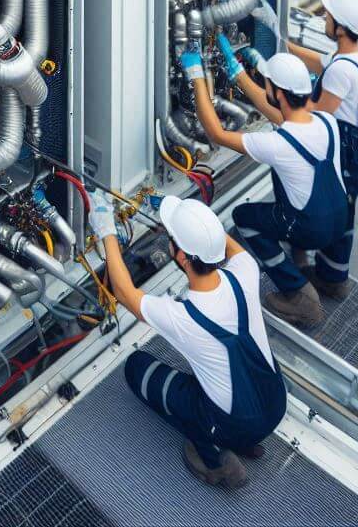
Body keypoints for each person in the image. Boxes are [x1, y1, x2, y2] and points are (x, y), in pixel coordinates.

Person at [91, 195, 287, 490]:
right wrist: (192, 221)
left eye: (172, 238)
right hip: (276, 403)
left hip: (234, 424)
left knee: (136, 368)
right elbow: (220, 243)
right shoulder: (245, 270)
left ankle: (217, 463)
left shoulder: (182, 316)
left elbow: (124, 291)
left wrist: (105, 230)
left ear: (181, 256)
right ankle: (248, 439)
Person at [183, 43, 348, 328]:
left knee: (245, 218)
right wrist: (238, 74)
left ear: (280, 93)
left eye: (268, 83)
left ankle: (299, 296)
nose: (266, 86)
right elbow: (279, 114)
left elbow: (215, 132)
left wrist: (196, 74)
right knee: (300, 207)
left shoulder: (277, 144)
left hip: (311, 228)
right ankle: (335, 280)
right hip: (341, 220)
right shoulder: (325, 121)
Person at [249, 0, 358, 300]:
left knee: (332, 208)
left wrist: (255, 84)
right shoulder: (352, 57)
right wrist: (279, 36)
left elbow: (309, 116)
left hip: (340, 150)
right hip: (350, 148)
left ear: (342, 28)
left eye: (329, 17)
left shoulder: (342, 70)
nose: (324, 19)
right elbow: (317, 61)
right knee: (341, 209)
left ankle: (323, 280)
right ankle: (330, 273)